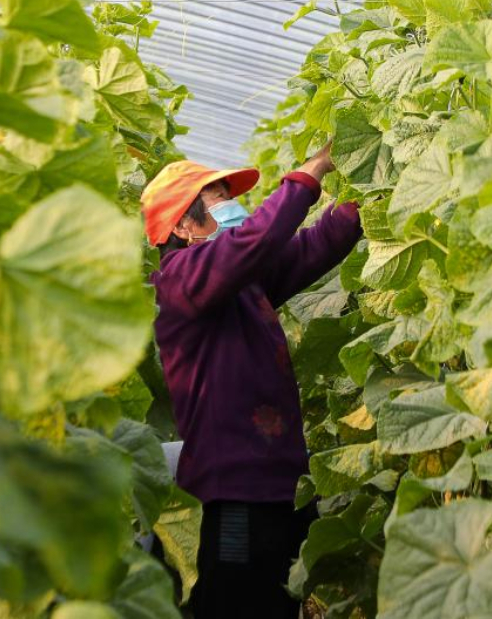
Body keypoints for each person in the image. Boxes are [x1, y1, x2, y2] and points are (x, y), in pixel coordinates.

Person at [139, 143, 362, 618]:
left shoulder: (238, 281)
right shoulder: (180, 280)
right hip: (233, 491)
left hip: (282, 483)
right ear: (181, 225)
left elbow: (306, 250)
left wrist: (362, 207)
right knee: (235, 606)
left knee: (280, 604)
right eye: (219, 198)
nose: (231, 206)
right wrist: (309, 173)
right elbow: (254, 243)